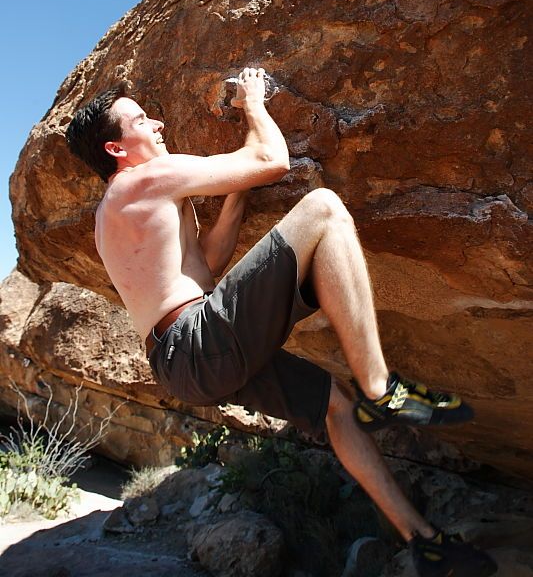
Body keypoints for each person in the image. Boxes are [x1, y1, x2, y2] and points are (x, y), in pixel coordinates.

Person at [66, 68, 496, 577]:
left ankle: (426, 543)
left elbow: (208, 263)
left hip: (184, 359)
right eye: (142, 119)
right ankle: (382, 386)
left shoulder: (115, 211)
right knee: (323, 208)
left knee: (335, 406)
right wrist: (253, 102)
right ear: (118, 149)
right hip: (198, 340)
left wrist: (236, 190)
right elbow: (273, 160)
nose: (157, 123)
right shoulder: (143, 180)